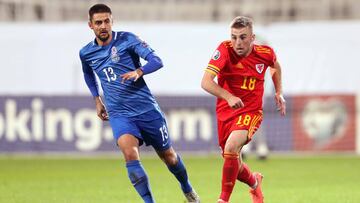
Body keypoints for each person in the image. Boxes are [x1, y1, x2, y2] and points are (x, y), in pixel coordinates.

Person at [79, 4, 200, 203]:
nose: (103, 26)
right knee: (130, 154)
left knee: (168, 156)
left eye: (106, 21)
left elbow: (157, 60)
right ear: (90, 25)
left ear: (112, 21)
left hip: (146, 110)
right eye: (98, 22)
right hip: (119, 114)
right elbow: (87, 73)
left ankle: (187, 188)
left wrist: (139, 71)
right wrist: (96, 99)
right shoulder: (86, 53)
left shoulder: (127, 39)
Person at [201, 16, 286, 203]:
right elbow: (205, 82)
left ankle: (223, 200)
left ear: (252, 37)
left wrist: (278, 92)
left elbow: (275, 67)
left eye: (243, 37)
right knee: (233, 162)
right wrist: (229, 97)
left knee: (232, 148)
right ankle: (255, 183)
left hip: (251, 111)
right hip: (225, 111)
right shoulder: (224, 50)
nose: (237, 42)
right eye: (234, 37)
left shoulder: (265, 53)